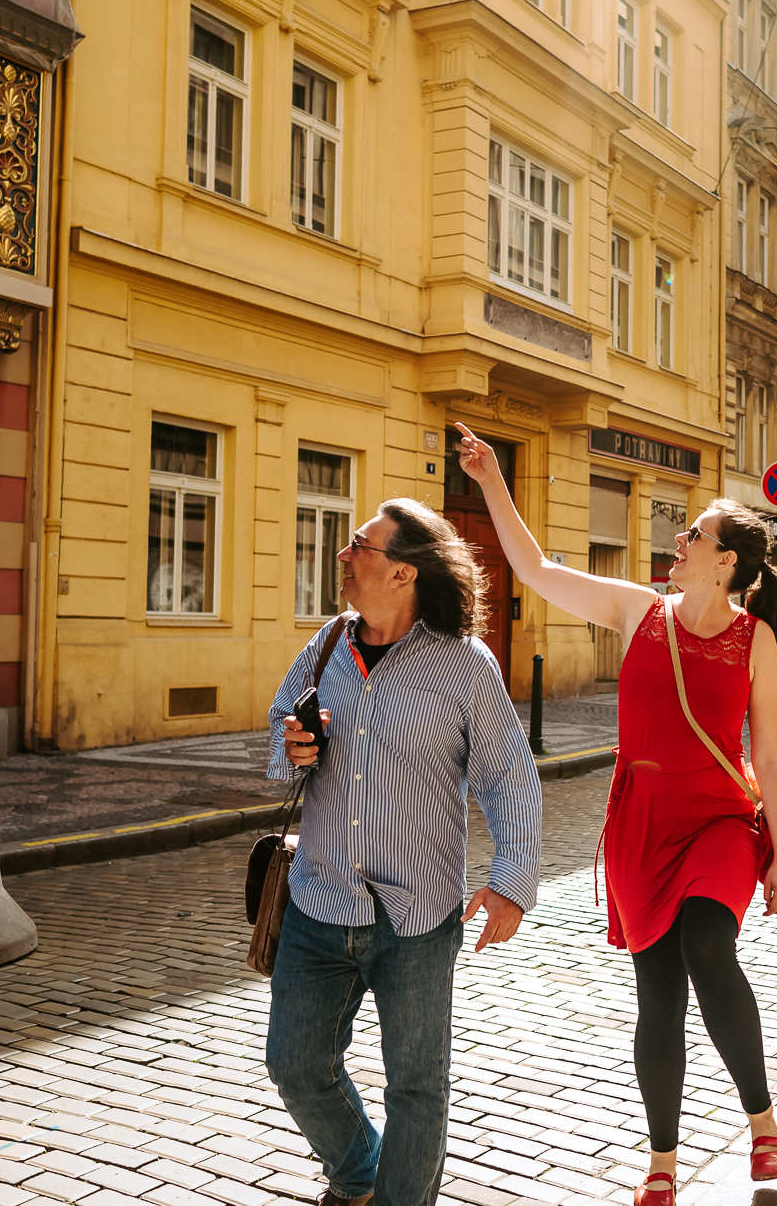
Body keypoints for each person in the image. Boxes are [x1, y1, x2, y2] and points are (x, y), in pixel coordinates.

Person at [450, 423, 777, 1206]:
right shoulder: (638, 610)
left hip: (717, 820)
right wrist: (492, 479)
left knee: (710, 944)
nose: (681, 536)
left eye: (696, 532)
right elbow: (535, 569)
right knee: (658, 997)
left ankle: (764, 1126)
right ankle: (663, 1162)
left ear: (726, 560)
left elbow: (769, 756)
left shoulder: (756, 638)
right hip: (642, 823)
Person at [265, 498, 543, 1206]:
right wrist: (290, 747)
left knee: (417, 1087)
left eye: (358, 545)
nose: (343, 556)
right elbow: (279, 723)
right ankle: (359, 1173)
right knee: (296, 1067)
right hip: (318, 898)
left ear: (403, 573)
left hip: (416, 917)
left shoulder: (463, 665)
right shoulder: (326, 644)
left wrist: (510, 880)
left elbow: (508, 776)